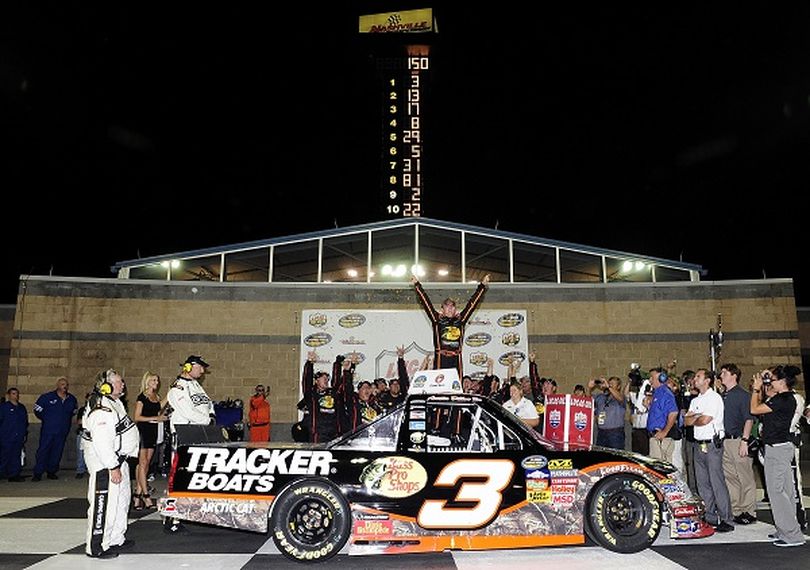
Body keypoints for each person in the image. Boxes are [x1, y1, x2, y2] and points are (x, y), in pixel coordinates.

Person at [82, 369, 140, 558]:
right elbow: (102, 441)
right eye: (118, 381)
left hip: (118, 459)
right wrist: (112, 466)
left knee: (121, 501)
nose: (123, 384)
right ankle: (97, 546)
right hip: (105, 463)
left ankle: (115, 538)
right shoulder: (101, 408)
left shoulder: (115, 403)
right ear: (105, 385)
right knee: (104, 504)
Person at [750, 365, 805, 547]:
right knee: (786, 491)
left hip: (778, 450)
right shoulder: (783, 398)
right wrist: (765, 381)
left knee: (777, 492)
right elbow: (766, 400)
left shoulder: (783, 400)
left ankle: (792, 535)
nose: (769, 383)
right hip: (780, 448)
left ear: (782, 382)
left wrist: (756, 389)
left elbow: (755, 409)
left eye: (772, 380)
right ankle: (787, 529)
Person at [684, 369, 734, 533]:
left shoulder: (714, 398)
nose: (695, 379)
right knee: (702, 482)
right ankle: (710, 515)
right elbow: (686, 421)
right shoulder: (696, 400)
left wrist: (695, 418)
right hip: (698, 444)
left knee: (716, 481)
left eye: (698, 377)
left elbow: (705, 420)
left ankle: (726, 518)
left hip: (712, 444)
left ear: (707, 381)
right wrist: (696, 418)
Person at [411, 273, 490, 376]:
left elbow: (472, 304)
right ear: (442, 310)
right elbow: (426, 303)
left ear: (455, 309)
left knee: (457, 387)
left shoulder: (461, 320)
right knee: (440, 386)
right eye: (447, 306)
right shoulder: (437, 320)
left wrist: (482, 286)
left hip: (456, 359)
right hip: (441, 358)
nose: (450, 309)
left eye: (452, 307)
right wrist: (417, 285)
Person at [718, 363, 757, 525]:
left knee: (744, 476)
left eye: (724, 373)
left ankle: (749, 510)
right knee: (730, 478)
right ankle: (736, 509)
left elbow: (749, 418)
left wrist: (745, 440)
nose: (721, 376)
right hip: (725, 440)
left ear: (734, 375)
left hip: (738, 440)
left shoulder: (742, 395)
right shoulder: (723, 395)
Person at [32, 377, 78, 481]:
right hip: (48, 430)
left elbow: (73, 411)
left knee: (57, 452)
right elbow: (37, 409)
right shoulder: (47, 397)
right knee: (43, 451)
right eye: (62, 384)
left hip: (62, 431)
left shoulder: (71, 399)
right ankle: (38, 473)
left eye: (66, 384)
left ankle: (51, 471)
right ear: (57, 385)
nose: (64, 386)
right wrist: (48, 419)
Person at [299, 351, 348, 443]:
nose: (326, 380)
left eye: (327, 378)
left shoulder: (332, 393)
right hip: (317, 433)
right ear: (316, 381)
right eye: (323, 378)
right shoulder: (311, 394)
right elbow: (306, 381)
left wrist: (338, 364)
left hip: (333, 433)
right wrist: (309, 363)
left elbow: (337, 383)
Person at [133, 371, 165, 510]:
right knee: (142, 462)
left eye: (157, 381)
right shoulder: (142, 397)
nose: (156, 383)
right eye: (153, 380)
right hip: (142, 431)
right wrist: (155, 418)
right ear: (147, 381)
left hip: (153, 431)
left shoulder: (156, 397)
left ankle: (137, 495)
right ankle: (146, 496)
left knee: (145, 465)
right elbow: (137, 417)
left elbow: (160, 407)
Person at [167, 355, 215, 445]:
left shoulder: (196, 385)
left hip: (199, 430)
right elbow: (188, 412)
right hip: (185, 433)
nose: (202, 371)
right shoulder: (178, 388)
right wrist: (208, 421)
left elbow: (208, 402)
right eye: (200, 367)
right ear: (188, 367)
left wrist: (211, 414)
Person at [646, 367, 679, 463]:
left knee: (661, 468)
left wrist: (665, 431)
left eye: (652, 377)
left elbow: (673, 412)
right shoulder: (657, 393)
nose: (650, 380)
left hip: (662, 439)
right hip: (656, 437)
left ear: (661, 378)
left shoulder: (665, 393)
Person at [589, 376, 626, 450]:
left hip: (615, 433)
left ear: (618, 387)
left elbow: (620, 398)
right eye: (609, 383)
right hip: (601, 433)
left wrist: (608, 386)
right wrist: (589, 388)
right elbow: (588, 400)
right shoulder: (601, 397)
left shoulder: (620, 397)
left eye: (613, 384)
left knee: (616, 457)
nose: (610, 385)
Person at [0, 387, 28, 482]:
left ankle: (14, 474)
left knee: (16, 456)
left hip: (18, 436)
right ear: (8, 395)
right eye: (13, 393)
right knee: (4, 455)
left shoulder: (21, 408)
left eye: (16, 393)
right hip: (6, 436)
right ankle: (2, 472)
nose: (15, 395)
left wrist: (24, 433)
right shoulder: (4, 407)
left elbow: (25, 422)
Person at [74, 392, 92, 479]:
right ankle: (80, 470)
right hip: (82, 433)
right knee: (80, 453)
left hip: (93, 434)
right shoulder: (82, 410)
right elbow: (79, 422)